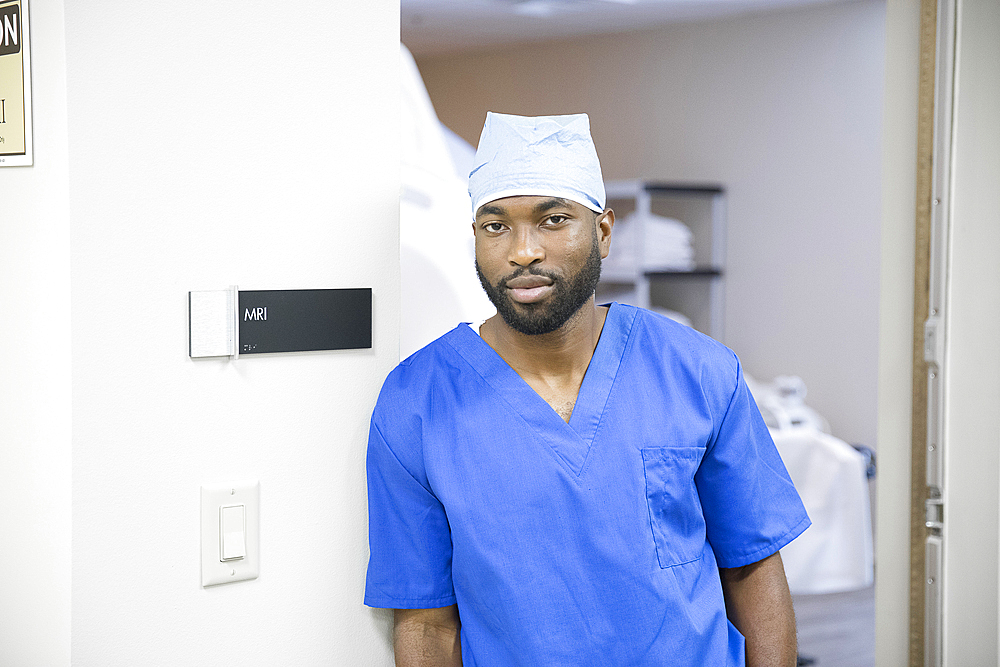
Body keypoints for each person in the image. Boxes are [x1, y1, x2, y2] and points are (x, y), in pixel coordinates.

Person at [365, 112, 810, 666]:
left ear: (602, 232)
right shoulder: (417, 402)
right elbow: (427, 624)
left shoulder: (697, 371)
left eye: (553, 220)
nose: (523, 250)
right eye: (495, 225)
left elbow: (752, 566)